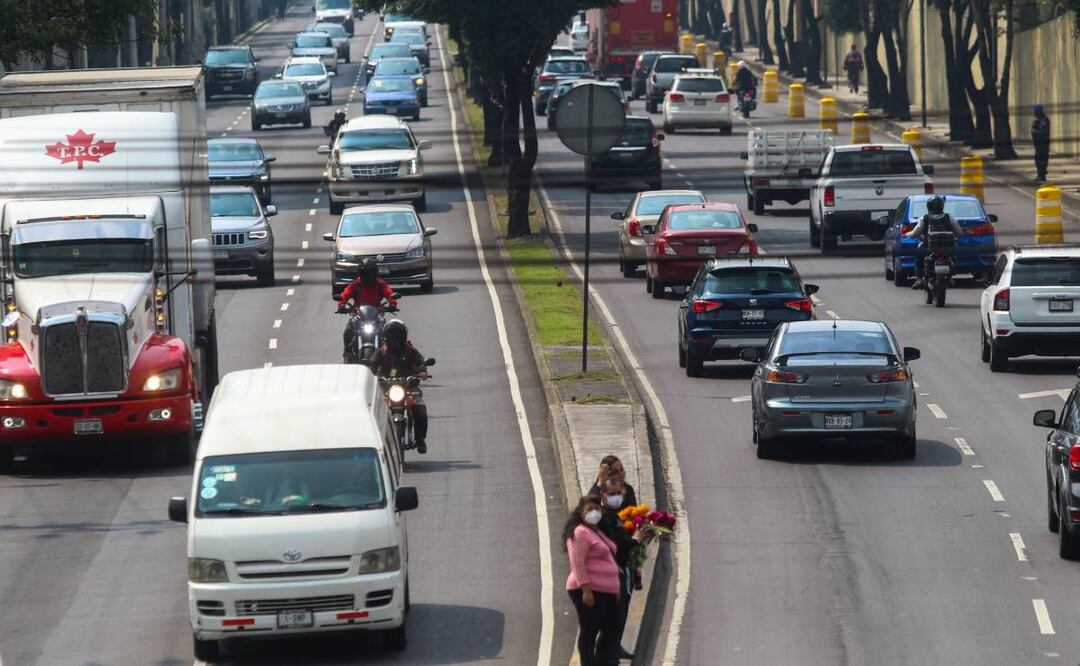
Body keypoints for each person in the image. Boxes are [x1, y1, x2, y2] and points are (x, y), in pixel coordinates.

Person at [564, 495, 622, 666]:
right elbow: (577, 563)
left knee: (612, 627)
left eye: (597, 509)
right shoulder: (579, 532)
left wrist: (616, 587)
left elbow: (609, 558)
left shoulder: (596, 531)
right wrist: (586, 590)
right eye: (589, 509)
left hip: (606, 591)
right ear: (581, 513)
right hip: (589, 589)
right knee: (590, 629)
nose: (594, 512)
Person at [596, 475, 647, 664]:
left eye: (619, 493)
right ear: (603, 495)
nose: (616, 497)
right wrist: (636, 539)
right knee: (611, 623)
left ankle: (613, 655)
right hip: (611, 579)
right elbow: (618, 547)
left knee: (618, 620)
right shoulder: (604, 519)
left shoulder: (614, 516)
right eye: (612, 494)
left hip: (620, 575)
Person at [367, 320, 430, 454]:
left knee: (420, 409)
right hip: (386, 388)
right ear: (386, 336)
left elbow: (420, 361)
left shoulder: (410, 350)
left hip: (409, 387)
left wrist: (422, 371)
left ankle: (420, 439)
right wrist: (371, 373)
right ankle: (374, 440)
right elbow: (372, 364)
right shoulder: (381, 352)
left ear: (404, 336)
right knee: (373, 410)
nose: (395, 338)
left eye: (398, 335)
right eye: (392, 335)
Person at [337, 259, 398, 362]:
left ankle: (388, 354)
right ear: (361, 274)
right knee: (347, 331)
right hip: (359, 316)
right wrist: (341, 305)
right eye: (366, 273)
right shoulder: (356, 285)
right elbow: (345, 295)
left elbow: (389, 293)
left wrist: (392, 303)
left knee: (388, 331)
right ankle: (347, 354)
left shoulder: (380, 284)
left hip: (377, 316)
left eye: (371, 273)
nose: (369, 276)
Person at [904, 195, 965, 289]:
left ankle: (919, 279)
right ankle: (950, 277)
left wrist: (907, 234)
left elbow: (914, 234)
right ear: (942, 206)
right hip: (947, 248)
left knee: (918, 256)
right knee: (953, 256)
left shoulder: (924, 218)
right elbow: (959, 233)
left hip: (928, 248)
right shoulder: (949, 217)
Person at [1032, 104, 1051, 182]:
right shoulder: (1037, 120)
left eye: (1035, 111)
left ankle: (1042, 175)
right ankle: (1040, 174)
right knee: (1037, 158)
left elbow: (1043, 131)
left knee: (1041, 159)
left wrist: (1034, 131)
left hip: (1042, 143)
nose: (1034, 113)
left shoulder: (1044, 120)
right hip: (1038, 143)